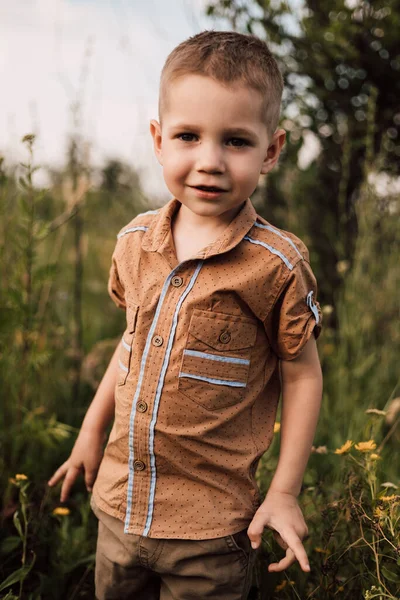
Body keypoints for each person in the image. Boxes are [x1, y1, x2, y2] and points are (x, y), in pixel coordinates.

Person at [48, 30, 323, 600]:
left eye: (236, 141)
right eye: (188, 136)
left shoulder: (276, 266)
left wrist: (285, 492)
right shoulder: (135, 243)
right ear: (158, 138)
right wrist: (88, 435)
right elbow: (131, 345)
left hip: (211, 530)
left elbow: (302, 375)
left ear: (272, 150)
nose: (209, 161)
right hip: (120, 509)